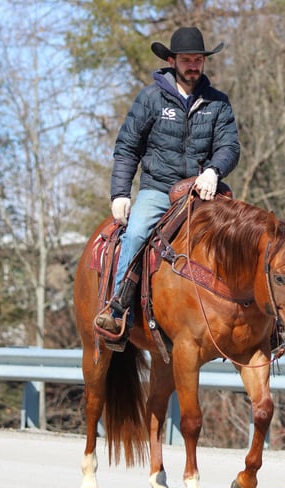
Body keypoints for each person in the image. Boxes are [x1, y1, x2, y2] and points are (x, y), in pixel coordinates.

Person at [95, 26, 240, 336]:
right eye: (186, 60)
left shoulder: (218, 102)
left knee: (243, 237)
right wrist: (120, 194)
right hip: (159, 189)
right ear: (172, 61)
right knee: (135, 235)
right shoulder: (150, 99)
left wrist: (213, 171)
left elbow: (229, 146)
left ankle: (253, 319)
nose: (192, 66)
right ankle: (118, 309)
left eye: (198, 60)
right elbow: (128, 147)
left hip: (203, 192)